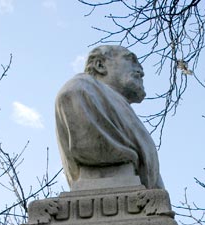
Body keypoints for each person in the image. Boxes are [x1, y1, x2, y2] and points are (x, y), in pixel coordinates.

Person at [55, 45, 164, 190]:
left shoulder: (121, 109)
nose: (141, 71)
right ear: (100, 65)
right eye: (131, 60)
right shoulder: (78, 92)